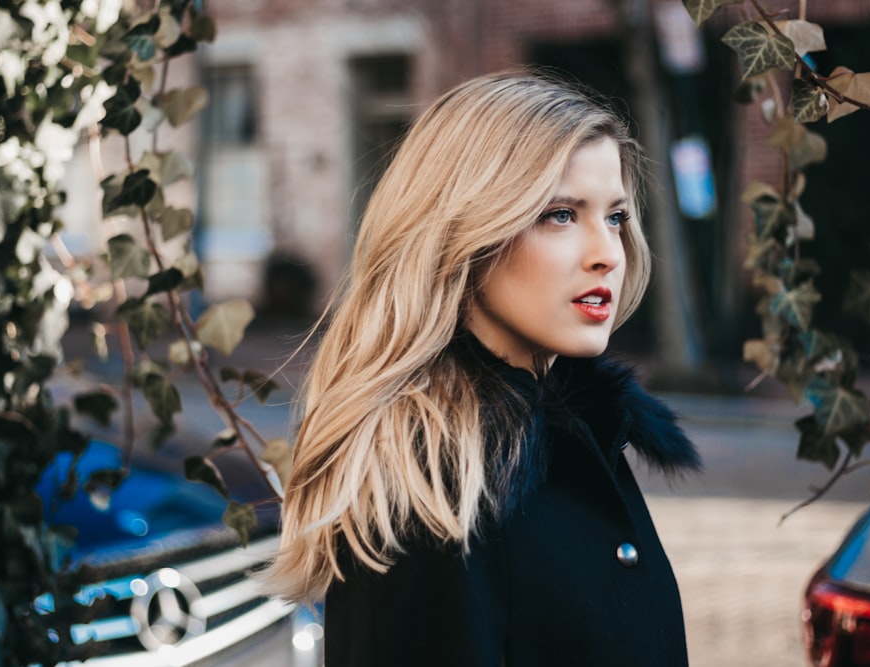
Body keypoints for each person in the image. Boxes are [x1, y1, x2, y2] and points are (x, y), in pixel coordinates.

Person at [262, 70, 701, 666]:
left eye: (616, 217)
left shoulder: (578, 435)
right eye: (561, 214)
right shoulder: (434, 488)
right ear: (463, 233)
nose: (607, 253)